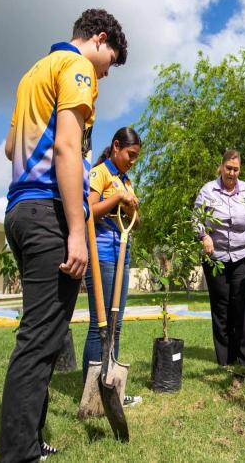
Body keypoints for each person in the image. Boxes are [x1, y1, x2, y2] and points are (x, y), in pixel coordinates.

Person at [0, 9, 128, 461]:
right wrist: (77, 228)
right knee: (39, 340)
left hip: (18, 210)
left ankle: (30, 439)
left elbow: (11, 147)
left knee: (47, 336)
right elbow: (66, 146)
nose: (103, 75)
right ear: (97, 39)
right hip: (47, 212)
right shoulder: (75, 67)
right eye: (107, 64)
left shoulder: (33, 73)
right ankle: (19, 453)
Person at [82, 127, 142, 407]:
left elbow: (137, 222)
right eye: (130, 154)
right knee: (100, 325)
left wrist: (131, 209)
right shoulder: (100, 174)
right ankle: (92, 390)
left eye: (136, 157)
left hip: (122, 255)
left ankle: (112, 388)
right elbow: (88, 211)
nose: (133, 161)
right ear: (116, 146)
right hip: (102, 254)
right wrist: (117, 199)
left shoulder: (125, 180)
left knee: (116, 325)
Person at [194, 150, 245, 367]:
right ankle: (226, 360)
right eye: (228, 168)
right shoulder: (208, 190)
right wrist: (204, 236)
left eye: (236, 169)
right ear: (221, 167)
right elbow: (197, 220)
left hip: (243, 256)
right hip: (216, 258)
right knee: (221, 308)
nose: (232, 173)